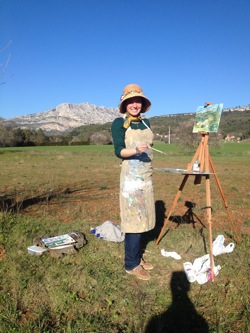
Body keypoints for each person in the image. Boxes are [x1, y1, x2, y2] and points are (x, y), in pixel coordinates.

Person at [111, 83, 155, 281]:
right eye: (131, 101)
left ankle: (136, 257)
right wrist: (137, 150)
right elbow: (119, 151)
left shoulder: (146, 123)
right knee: (133, 222)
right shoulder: (118, 124)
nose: (135, 105)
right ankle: (131, 264)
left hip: (146, 176)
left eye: (138, 101)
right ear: (125, 104)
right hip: (131, 180)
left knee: (144, 218)